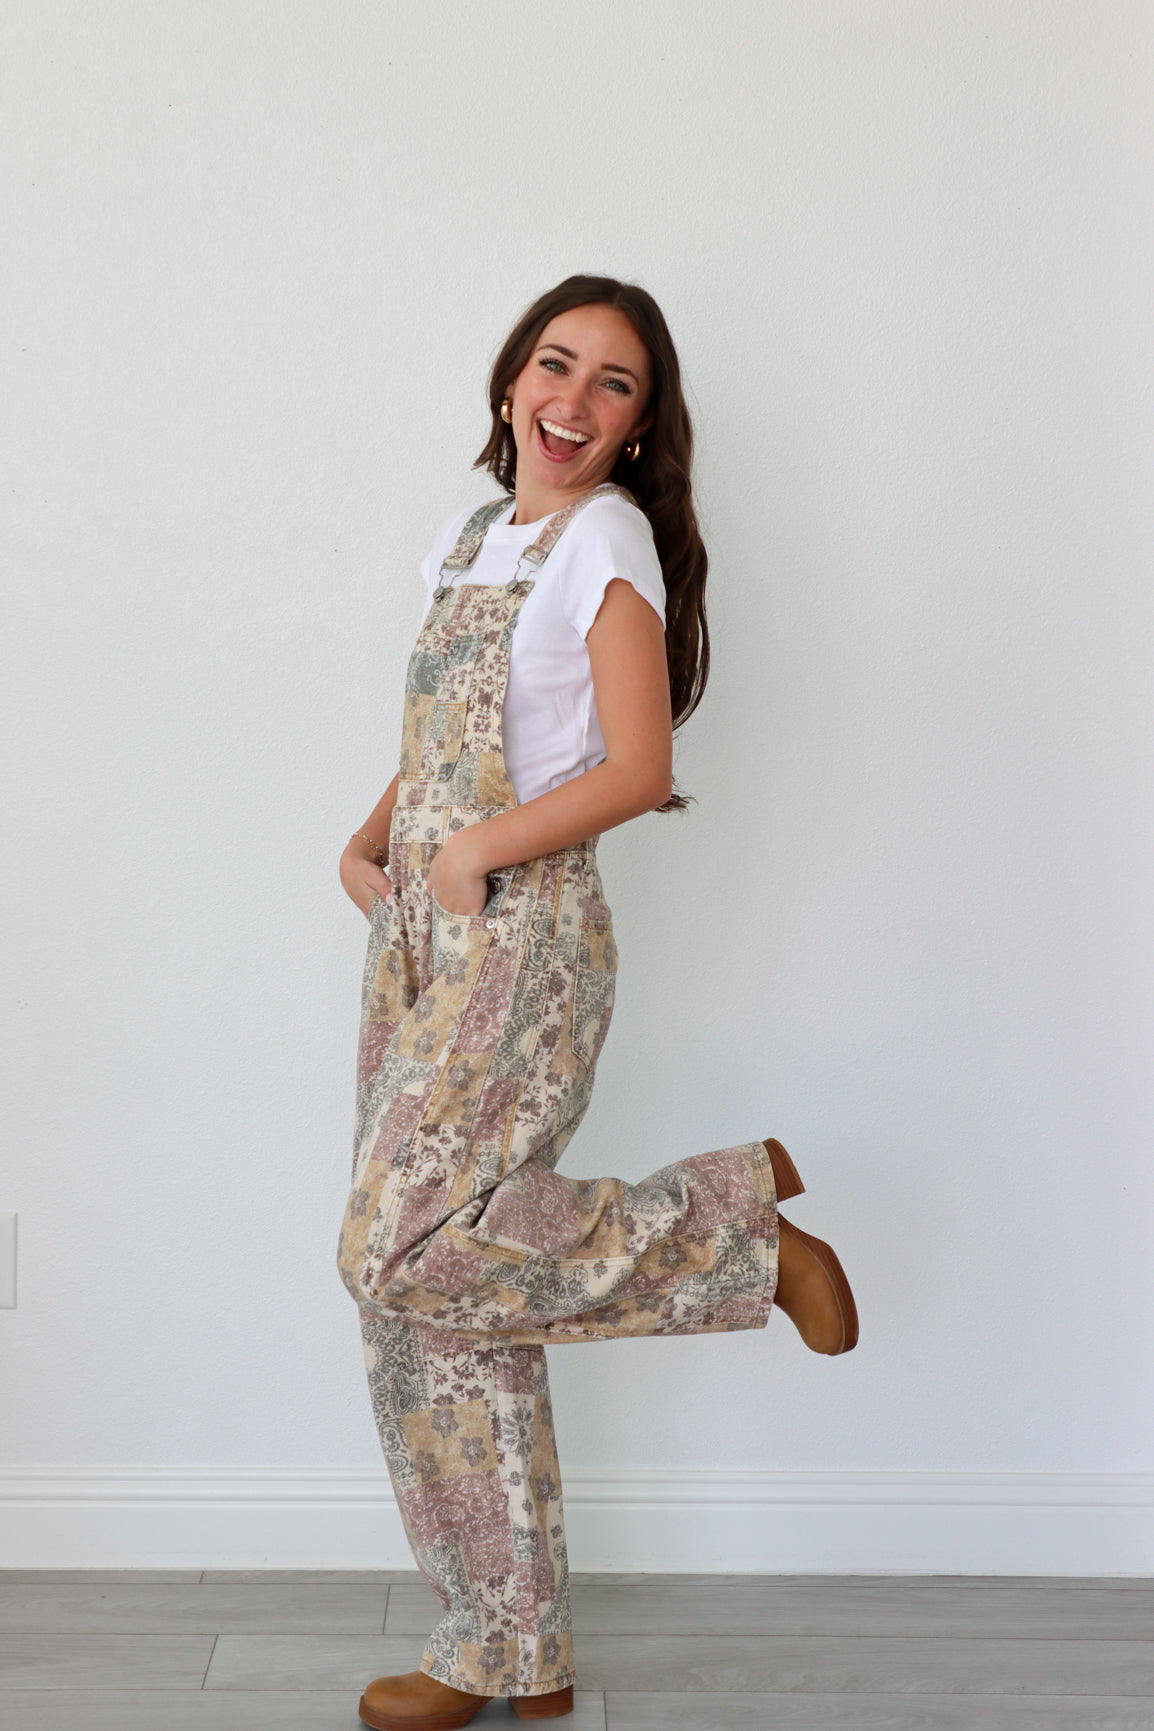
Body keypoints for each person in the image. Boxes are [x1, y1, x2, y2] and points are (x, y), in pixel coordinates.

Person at [336, 275, 858, 1731]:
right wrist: (372, 840)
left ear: (637, 426)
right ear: (511, 380)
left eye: (612, 383)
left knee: (393, 1247)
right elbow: (447, 733)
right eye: (554, 365)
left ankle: (740, 1234)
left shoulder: (607, 537)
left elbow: (636, 765)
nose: (572, 400)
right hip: (421, 929)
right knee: (433, 1300)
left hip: (522, 932)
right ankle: (507, 1648)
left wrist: (474, 856)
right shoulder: (466, 538)